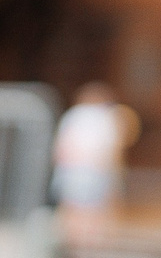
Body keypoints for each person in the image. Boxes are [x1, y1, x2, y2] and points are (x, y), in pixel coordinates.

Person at [52, 84, 130, 236]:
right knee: (93, 212)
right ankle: (89, 242)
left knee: (71, 210)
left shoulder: (72, 115)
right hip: (95, 171)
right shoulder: (104, 117)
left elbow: (59, 148)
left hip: (70, 170)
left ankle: (70, 242)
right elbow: (111, 149)